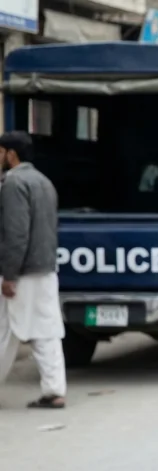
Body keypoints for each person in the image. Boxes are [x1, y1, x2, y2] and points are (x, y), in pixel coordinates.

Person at [0, 131, 67, 409]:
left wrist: (9, 274)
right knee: (46, 329)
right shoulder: (44, 181)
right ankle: (55, 390)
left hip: (23, 271)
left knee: (5, 330)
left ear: (11, 154)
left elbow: (16, 234)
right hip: (45, 269)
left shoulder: (14, 184)